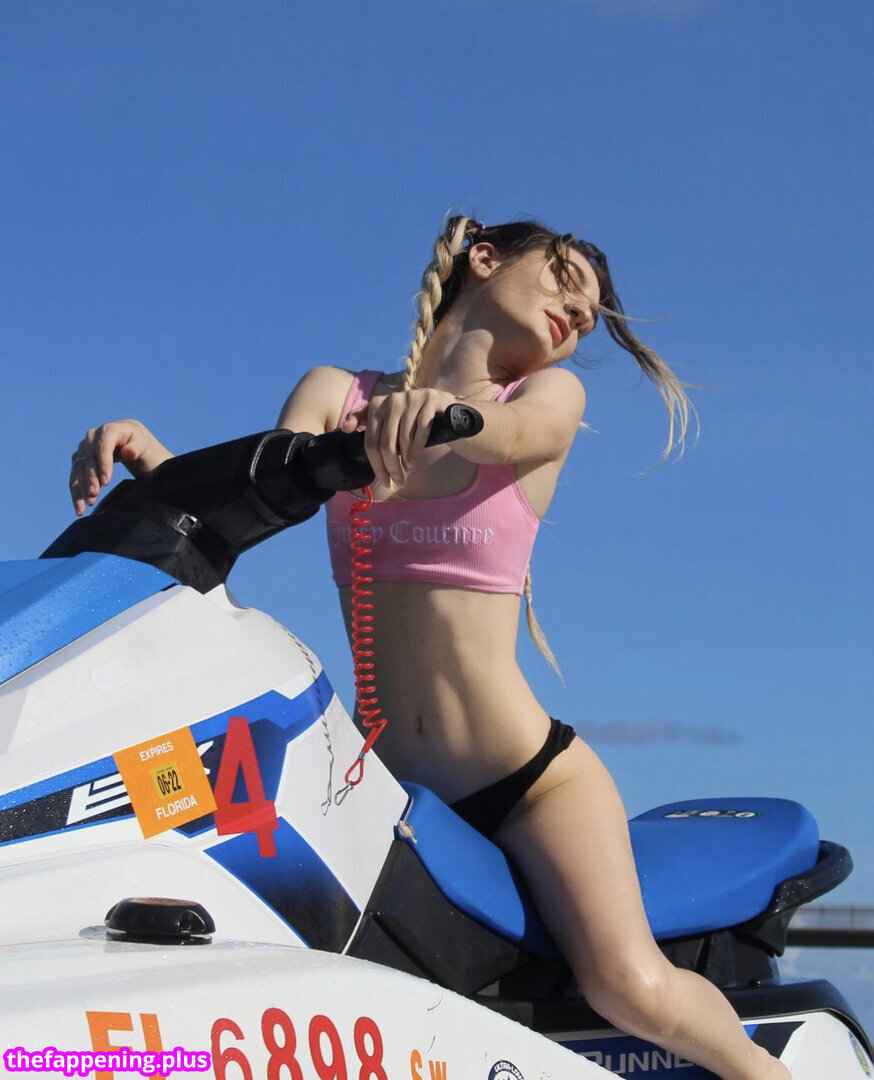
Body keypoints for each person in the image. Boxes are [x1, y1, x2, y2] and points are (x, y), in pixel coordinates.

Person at [69, 216, 791, 1080]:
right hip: (385, 789)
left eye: (588, 317)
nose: (577, 315)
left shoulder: (547, 399)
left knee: (631, 987)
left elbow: (504, 436)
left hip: (529, 784)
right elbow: (258, 494)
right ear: (484, 259)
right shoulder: (336, 393)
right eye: (565, 280)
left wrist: (442, 413)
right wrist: (155, 460)